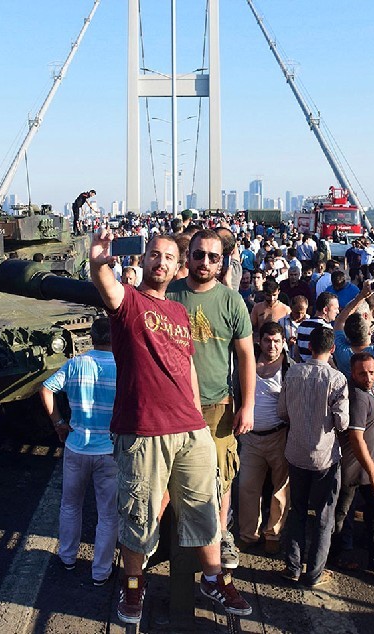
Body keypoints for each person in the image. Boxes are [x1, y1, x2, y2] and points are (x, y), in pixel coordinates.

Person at [88, 229, 251, 625]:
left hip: (190, 428)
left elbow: (187, 367)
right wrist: (98, 262)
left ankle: (213, 577)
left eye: (168, 258)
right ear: (144, 259)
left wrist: (197, 419)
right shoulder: (129, 301)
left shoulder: (178, 312)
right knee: (139, 512)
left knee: (204, 505)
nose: (160, 262)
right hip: (144, 429)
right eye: (154, 255)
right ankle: (133, 583)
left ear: (178, 267)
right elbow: (108, 288)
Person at [167, 229, 256, 571]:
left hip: (217, 406)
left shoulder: (232, 301)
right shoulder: (169, 293)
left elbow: (246, 356)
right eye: (199, 254)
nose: (204, 262)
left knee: (221, 476)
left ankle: (220, 535)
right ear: (187, 257)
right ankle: (165, 539)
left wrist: (247, 405)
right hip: (172, 404)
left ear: (222, 263)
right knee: (167, 475)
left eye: (213, 257)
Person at [39, 317, 117, 586]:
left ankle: (67, 557)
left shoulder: (75, 364)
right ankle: (101, 571)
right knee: (107, 514)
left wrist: (59, 423)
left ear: (92, 338)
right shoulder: (123, 367)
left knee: (71, 505)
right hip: (109, 449)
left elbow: (46, 390)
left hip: (76, 446)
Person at [278, 326, 348, 587]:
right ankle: (315, 572)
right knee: (323, 516)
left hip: (296, 452)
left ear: (309, 347)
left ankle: (293, 566)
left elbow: (282, 412)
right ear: (332, 349)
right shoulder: (337, 379)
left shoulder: (293, 373)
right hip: (324, 457)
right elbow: (342, 422)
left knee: (297, 510)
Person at [331, 352, 374, 581]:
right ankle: (339, 555)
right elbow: (356, 437)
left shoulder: (369, 391)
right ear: (353, 373)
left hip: (369, 465)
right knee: (343, 514)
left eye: (371, 372)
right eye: (362, 373)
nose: (368, 377)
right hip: (354, 468)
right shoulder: (359, 397)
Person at [237, 322, 292, 554]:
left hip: (279, 436)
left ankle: (273, 534)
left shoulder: (290, 368)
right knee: (247, 486)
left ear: (283, 342)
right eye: (268, 340)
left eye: (277, 341)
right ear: (260, 341)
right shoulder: (246, 361)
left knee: (281, 489)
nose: (272, 346)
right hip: (250, 437)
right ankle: (248, 534)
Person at [295, 292, 339, 362]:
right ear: (325, 310)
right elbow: (327, 357)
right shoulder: (325, 329)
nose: (337, 312)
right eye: (335, 308)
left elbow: (296, 352)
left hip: (303, 366)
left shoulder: (302, 325)